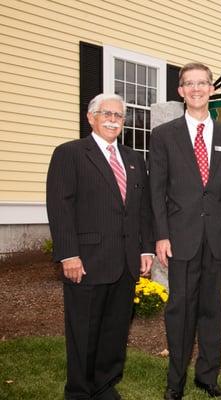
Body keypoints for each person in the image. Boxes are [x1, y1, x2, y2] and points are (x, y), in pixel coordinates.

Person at [46, 93, 154, 400]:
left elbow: (142, 209)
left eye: (119, 116)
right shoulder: (70, 153)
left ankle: (105, 386)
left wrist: (145, 249)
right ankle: (79, 391)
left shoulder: (133, 159)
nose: (112, 119)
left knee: (115, 330)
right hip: (87, 260)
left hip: (126, 262)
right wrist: (68, 254)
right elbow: (60, 206)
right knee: (84, 331)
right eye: (106, 113)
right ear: (91, 118)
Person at [148, 62, 221, 400]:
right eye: (190, 84)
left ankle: (207, 377)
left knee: (212, 310)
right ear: (181, 91)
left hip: (217, 239)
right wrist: (160, 234)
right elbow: (155, 190)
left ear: (212, 88)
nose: (197, 89)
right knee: (180, 311)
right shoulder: (163, 135)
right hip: (179, 239)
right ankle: (175, 382)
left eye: (202, 83)